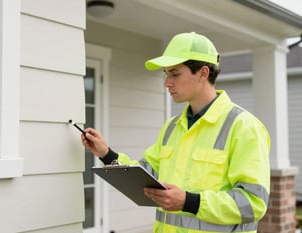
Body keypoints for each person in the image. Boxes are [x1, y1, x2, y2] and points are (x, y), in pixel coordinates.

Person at [81, 32, 270, 233]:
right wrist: (106, 154)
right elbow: (146, 175)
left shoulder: (244, 127)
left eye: (175, 73)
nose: (167, 82)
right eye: (166, 74)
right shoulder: (172, 127)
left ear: (203, 73)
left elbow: (252, 203)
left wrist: (190, 202)